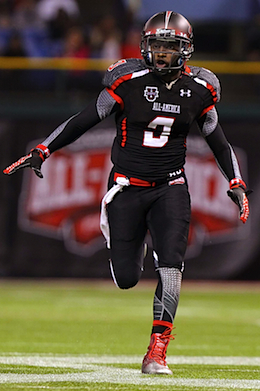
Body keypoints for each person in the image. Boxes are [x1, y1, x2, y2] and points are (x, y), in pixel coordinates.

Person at [3, 11, 250, 375]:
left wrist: (236, 181)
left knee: (171, 267)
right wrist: (44, 150)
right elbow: (84, 119)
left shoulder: (201, 88)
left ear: (186, 50)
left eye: (171, 47)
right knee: (126, 278)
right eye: (158, 46)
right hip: (126, 189)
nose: (163, 54)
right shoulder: (127, 80)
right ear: (145, 47)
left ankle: (157, 351)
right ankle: (134, 244)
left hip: (171, 185)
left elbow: (219, 140)